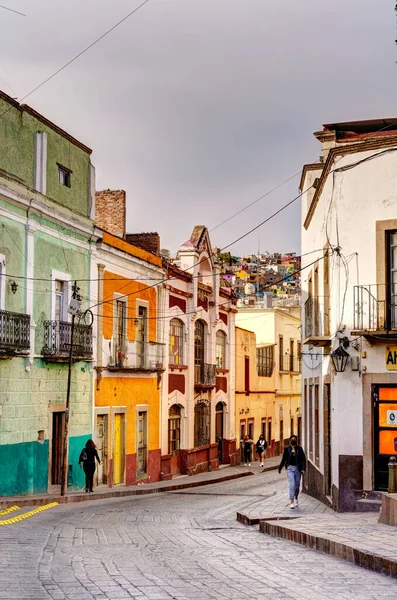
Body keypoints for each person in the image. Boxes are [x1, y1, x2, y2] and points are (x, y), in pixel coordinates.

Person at [278, 435, 306, 509]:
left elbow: (303, 460)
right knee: (292, 485)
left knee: (297, 486)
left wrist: (303, 469)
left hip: (298, 469)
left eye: (294, 439)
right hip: (290, 468)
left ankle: (296, 497)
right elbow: (284, 459)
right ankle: (291, 502)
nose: (293, 440)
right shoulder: (287, 449)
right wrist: (280, 467)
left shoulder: (299, 449)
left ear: (296, 441)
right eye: (292, 439)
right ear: (290, 440)